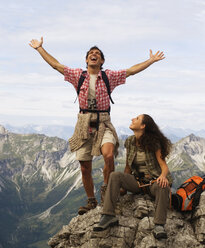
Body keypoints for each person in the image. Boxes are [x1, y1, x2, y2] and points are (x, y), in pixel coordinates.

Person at [29, 37, 165, 215]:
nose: (94, 55)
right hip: (84, 123)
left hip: (103, 122)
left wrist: (151, 60)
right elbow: (56, 65)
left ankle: (108, 193)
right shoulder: (78, 75)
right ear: (86, 60)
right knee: (85, 167)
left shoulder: (109, 76)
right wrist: (40, 49)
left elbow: (131, 71)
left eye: (98, 54)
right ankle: (91, 201)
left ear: (101, 61)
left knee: (108, 155)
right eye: (91, 53)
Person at [93, 114, 173, 240]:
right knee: (115, 176)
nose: (132, 119)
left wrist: (163, 177)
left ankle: (159, 225)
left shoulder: (154, 143)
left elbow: (164, 166)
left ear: (143, 126)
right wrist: (123, 187)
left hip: (153, 182)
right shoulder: (130, 141)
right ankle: (108, 215)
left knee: (163, 186)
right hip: (138, 182)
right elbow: (128, 167)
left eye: (136, 119)